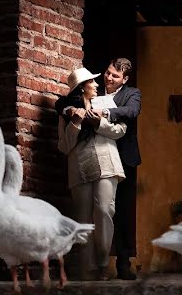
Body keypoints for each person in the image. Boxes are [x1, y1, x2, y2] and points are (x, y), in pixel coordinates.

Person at [56, 67, 127, 280]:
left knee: (105, 210)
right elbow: (64, 146)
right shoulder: (67, 112)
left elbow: (121, 130)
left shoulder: (105, 104)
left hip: (106, 163)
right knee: (83, 218)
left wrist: (98, 122)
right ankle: (89, 269)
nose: (97, 85)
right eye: (92, 82)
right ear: (81, 88)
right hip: (80, 167)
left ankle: (104, 263)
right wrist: (76, 122)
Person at [98, 58, 141, 280]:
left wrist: (105, 112)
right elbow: (68, 101)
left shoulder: (132, 93)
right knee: (102, 209)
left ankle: (123, 264)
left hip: (124, 158)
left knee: (123, 212)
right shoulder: (93, 87)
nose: (109, 78)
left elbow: (132, 112)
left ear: (124, 79)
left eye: (115, 76)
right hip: (99, 155)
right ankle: (97, 262)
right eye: (108, 72)